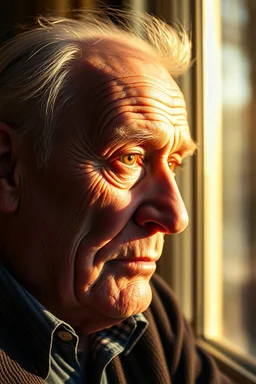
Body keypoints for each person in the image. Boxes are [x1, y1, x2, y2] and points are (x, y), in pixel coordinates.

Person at [0, 10, 230, 384]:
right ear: (8, 169)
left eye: (174, 162)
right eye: (129, 158)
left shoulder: (151, 319)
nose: (176, 217)